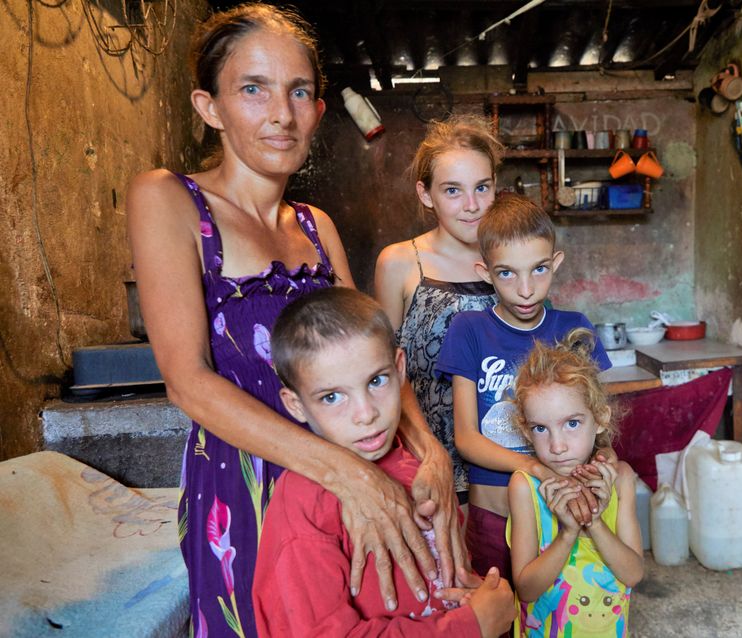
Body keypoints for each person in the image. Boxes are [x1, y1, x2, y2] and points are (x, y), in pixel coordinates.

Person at [126, 5, 461, 635]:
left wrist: (429, 450)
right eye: (253, 89)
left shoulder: (316, 226)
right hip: (245, 488)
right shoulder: (169, 199)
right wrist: (350, 476)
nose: (282, 114)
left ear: (317, 109)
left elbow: (372, 355)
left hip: (351, 483)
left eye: (299, 91)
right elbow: (187, 380)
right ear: (209, 107)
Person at [253, 287, 516, 637]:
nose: (366, 414)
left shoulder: (420, 464)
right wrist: (469, 625)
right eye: (332, 397)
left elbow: (443, 582)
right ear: (296, 405)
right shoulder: (303, 505)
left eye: (376, 381)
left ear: (399, 368)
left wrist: (483, 596)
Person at [435, 194, 612, 584]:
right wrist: (536, 469)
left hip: (561, 513)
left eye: (539, 269)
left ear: (557, 263)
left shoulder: (575, 327)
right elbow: (465, 438)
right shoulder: (469, 330)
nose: (527, 289)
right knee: (497, 616)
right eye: (507, 273)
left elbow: (598, 426)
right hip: (493, 516)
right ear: (486, 272)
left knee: (556, 616)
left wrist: (609, 466)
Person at [374, 116, 504, 505]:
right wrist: (421, 454)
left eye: (482, 187)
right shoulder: (400, 262)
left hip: (504, 466)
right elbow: (383, 370)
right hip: (428, 464)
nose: (472, 206)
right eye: (452, 190)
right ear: (426, 194)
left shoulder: (512, 259)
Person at [507, 328, 644, 637]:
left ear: (600, 418)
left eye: (572, 423)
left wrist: (594, 521)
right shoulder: (524, 488)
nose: (557, 446)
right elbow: (526, 589)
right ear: (526, 432)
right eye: (541, 429)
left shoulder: (620, 478)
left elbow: (633, 574)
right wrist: (567, 534)